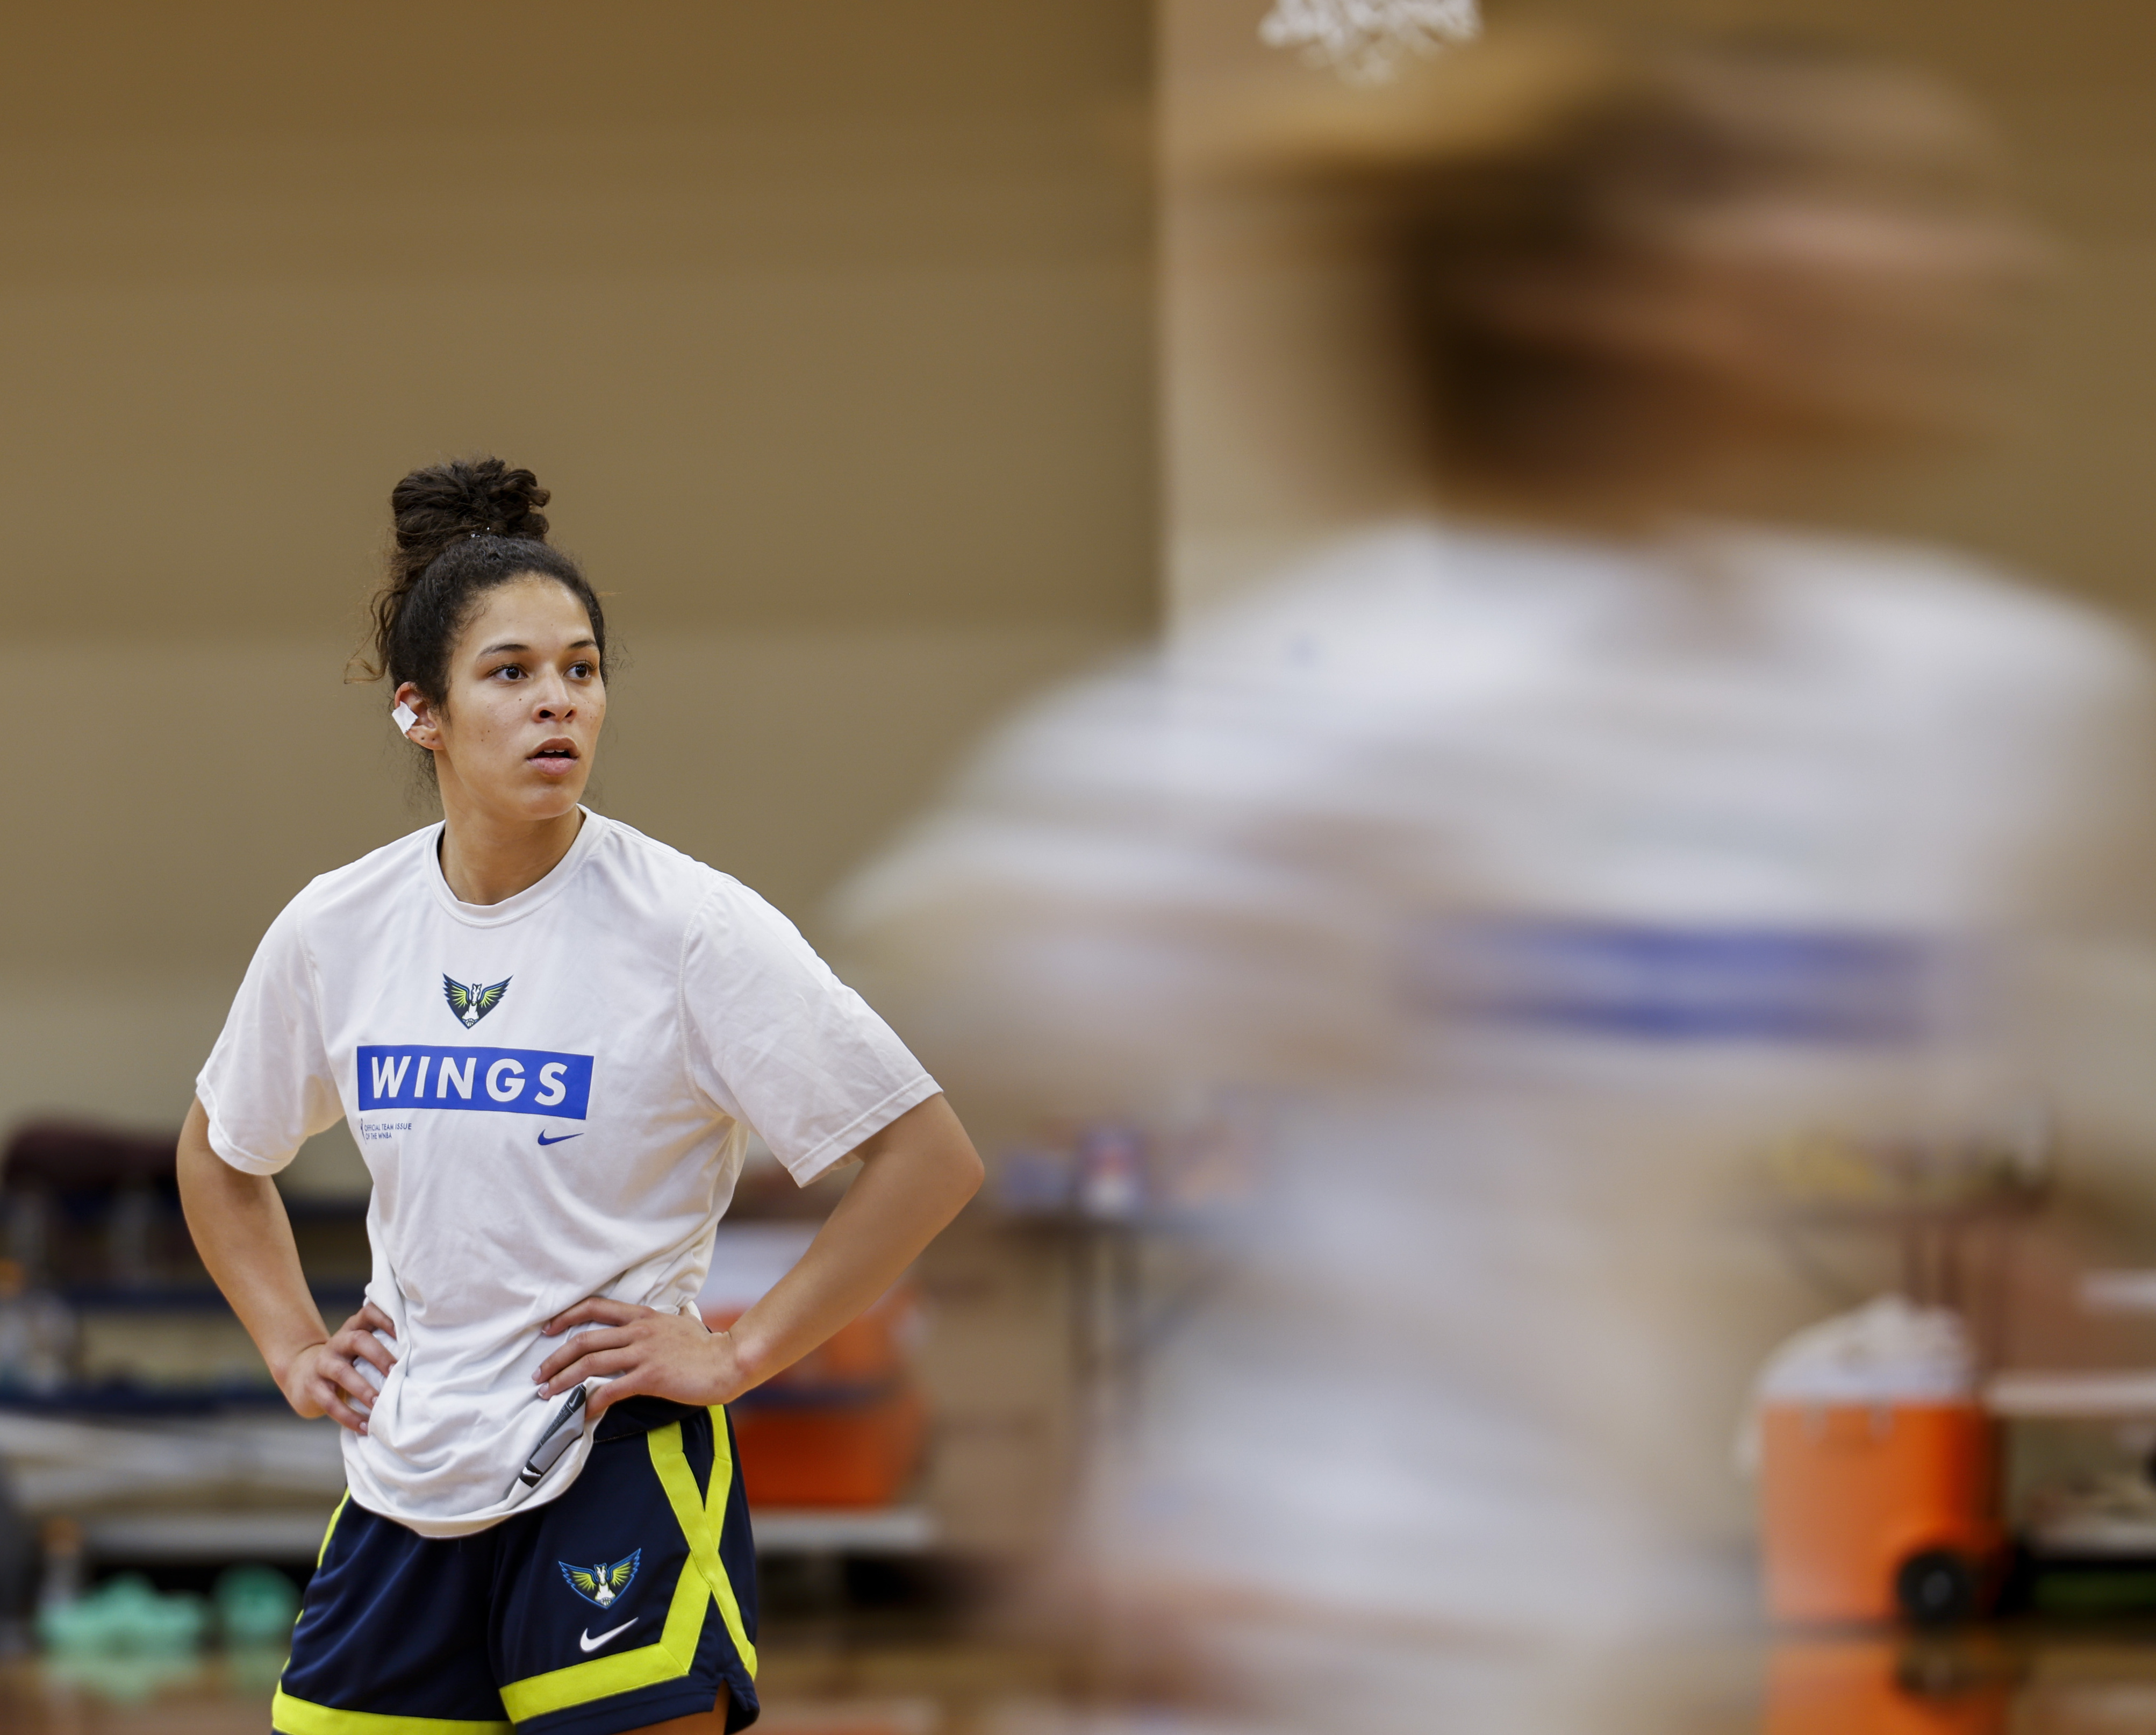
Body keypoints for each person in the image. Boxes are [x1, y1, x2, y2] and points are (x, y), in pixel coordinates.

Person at [834, 31, 2156, 1734]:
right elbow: (909, 1098)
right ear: (1593, 286)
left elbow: (2042, 1129)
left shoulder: (1976, 703)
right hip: (1325, 1636)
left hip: (1661, 1639)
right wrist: (1036, 1497)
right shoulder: (1321, 713)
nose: (1982, 258)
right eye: (1868, 200)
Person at [178, 457, 983, 1735]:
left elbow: (928, 1159)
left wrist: (738, 1351)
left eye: (581, 668)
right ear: (418, 711)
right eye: (510, 673)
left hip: (614, 1462)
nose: (558, 701)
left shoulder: (692, 928)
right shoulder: (337, 927)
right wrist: (288, 1341)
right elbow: (223, 1154)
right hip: (406, 1476)